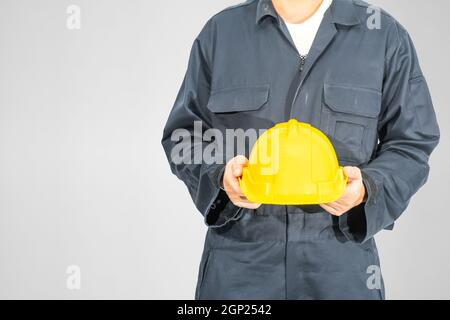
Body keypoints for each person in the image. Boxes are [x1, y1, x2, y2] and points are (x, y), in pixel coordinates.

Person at [161, 0, 440, 300]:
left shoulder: (383, 36)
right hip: (238, 269)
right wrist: (219, 177)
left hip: (340, 270)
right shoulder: (222, 33)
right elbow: (183, 137)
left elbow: (412, 142)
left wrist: (367, 190)